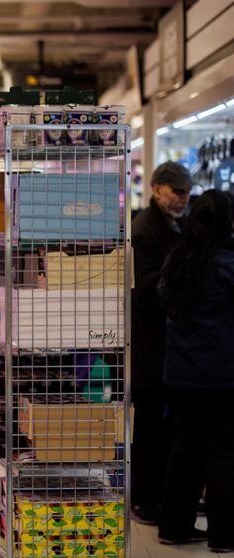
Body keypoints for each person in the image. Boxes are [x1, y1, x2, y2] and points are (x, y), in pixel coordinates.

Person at [157, 189, 234, 552]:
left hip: (180, 371)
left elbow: (163, 302)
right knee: (221, 451)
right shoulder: (227, 263)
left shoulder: (176, 261)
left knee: (184, 448)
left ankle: (174, 526)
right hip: (220, 371)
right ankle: (223, 534)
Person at [130, 161, 192, 525]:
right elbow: (148, 292)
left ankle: (159, 494)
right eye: (177, 191)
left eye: (187, 191)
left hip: (170, 346)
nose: (184, 198)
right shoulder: (145, 231)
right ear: (156, 189)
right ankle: (142, 499)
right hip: (150, 348)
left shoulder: (173, 227)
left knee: (166, 428)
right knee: (150, 428)